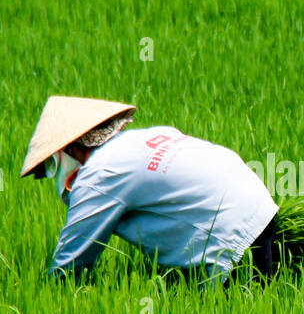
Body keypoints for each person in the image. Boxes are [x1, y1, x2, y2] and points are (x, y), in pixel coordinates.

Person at [21, 96, 281, 284]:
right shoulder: (146, 137)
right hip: (261, 209)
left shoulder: (98, 174)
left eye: (52, 166)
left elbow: (69, 268)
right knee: (263, 302)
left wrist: (44, 297)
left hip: (227, 236)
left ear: (69, 149)